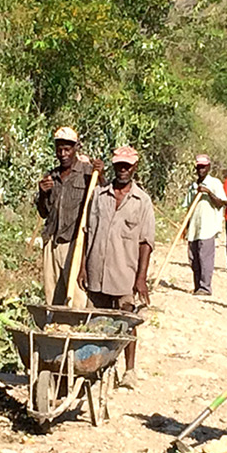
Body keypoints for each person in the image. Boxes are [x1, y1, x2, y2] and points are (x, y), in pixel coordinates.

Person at [79, 146, 155, 390]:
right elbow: (87, 234)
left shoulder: (142, 201)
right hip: (96, 270)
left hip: (125, 271)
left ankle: (129, 370)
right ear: (114, 166)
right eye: (119, 165)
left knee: (127, 320)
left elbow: (146, 243)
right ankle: (95, 367)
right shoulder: (99, 196)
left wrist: (141, 278)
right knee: (95, 321)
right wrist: (82, 268)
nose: (123, 170)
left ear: (134, 168)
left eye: (127, 166)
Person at [36, 127, 104, 307]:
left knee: (76, 296)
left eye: (68, 149)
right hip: (52, 242)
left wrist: (101, 176)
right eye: (59, 149)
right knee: (52, 295)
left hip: (75, 242)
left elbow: (102, 202)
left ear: (76, 148)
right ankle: (55, 330)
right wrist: (43, 193)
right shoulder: (52, 176)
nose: (63, 154)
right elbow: (44, 213)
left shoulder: (88, 173)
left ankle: (75, 331)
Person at [183, 153, 227, 295]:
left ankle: (205, 287)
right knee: (193, 258)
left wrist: (208, 192)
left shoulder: (215, 183)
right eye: (199, 167)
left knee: (205, 258)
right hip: (194, 228)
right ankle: (197, 286)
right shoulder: (193, 186)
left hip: (208, 227)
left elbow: (221, 203)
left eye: (203, 167)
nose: (201, 170)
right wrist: (185, 226)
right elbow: (188, 207)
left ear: (208, 167)